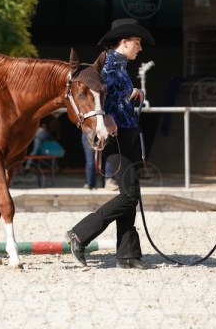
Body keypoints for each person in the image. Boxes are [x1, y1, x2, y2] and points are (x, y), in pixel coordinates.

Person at [67, 18, 157, 270]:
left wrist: (133, 93)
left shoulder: (120, 66)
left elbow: (114, 96)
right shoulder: (107, 65)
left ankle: (128, 255)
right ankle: (80, 233)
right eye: (137, 42)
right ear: (124, 42)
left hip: (128, 133)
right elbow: (96, 97)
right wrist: (106, 116)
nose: (140, 47)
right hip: (117, 136)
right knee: (129, 196)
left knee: (130, 194)